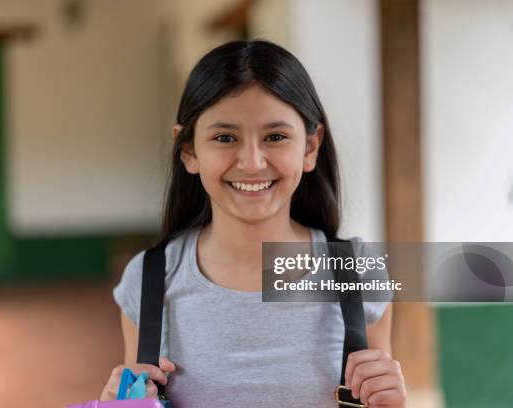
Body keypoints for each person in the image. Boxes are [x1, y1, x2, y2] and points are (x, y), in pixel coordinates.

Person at [101, 40, 406, 407]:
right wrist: (120, 405)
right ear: (189, 151)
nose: (251, 161)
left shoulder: (358, 271)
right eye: (224, 137)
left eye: (275, 137)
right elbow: (137, 396)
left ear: (310, 147)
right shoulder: (148, 280)